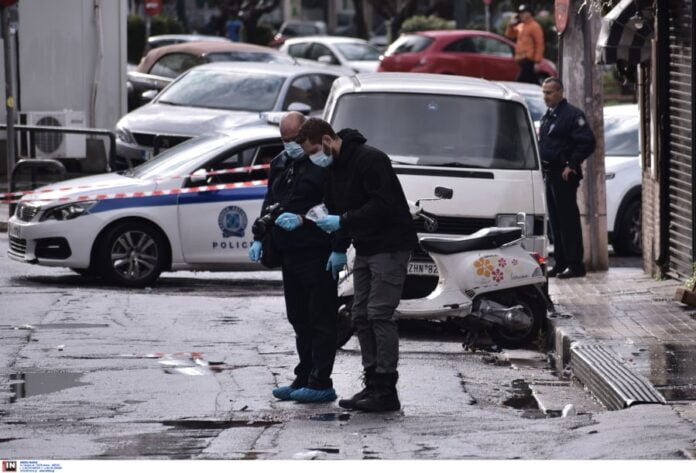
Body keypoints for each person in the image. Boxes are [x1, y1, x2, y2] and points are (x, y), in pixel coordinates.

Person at [295, 118, 418, 412]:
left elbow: (383, 206)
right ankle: (372, 382)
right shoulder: (334, 169)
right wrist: (337, 243)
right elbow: (337, 209)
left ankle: (386, 388)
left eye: (314, 151)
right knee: (360, 315)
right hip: (365, 246)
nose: (313, 159)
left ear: (327, 140)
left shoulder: (371, 159)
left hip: (390, 245)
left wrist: (344, 221)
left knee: (379, 314)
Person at [248, 112, 343, 403]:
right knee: (299, 318)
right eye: (284, 140)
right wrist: (260, 236)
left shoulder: (321, 163)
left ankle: (320, 380)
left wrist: (336, 245)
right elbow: (271, 201)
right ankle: (304, 376)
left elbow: (335, 205)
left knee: (321, 318)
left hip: (317, 249)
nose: (290, 145)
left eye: (294, 139)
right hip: (289, 250)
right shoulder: (281, 163)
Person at [538, 77, 597, 279]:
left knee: (568, 221)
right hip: (550, 174)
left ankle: (575, 265)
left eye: (549, 92)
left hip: (564, 175)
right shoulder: (549, 116)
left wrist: (572, 164)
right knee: (555, 221)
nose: (545, 96)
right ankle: (561, 262)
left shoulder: (572, 115)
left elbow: (588, 142)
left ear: (560, 92)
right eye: (544, 92)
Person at [505, 4, 545, 84]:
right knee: (531, 82)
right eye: (520, 13)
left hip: (529, 59)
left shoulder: (535, 26)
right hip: (521, 59)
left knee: (521, 82)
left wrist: (537, 62)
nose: (522, 15)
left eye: (524, 13)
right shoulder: (520, 26)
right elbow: (510, 35)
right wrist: (511, 24)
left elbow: (539, 44)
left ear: (530, 13)